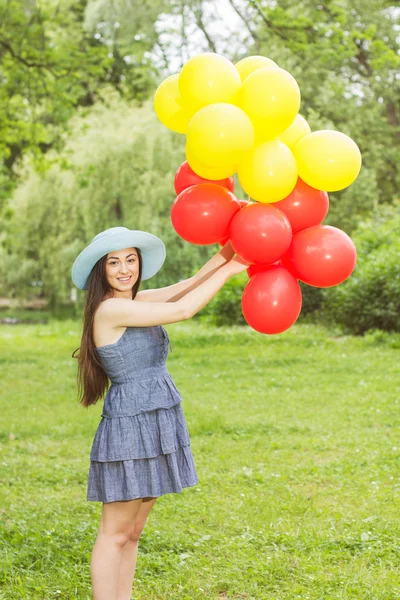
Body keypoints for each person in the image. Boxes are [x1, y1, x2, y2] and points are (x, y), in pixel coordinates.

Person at [71, 226, 249, 600]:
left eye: (131, 260)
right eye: (114, 262)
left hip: (153, 418)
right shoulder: (111, 309)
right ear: (101, 270)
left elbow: (185, 286)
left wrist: (234, 247)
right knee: (115, 532)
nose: (124, 269)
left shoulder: (137, 299)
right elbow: (183, 309)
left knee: (133, 532)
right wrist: (232, 271)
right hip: (131, 425)